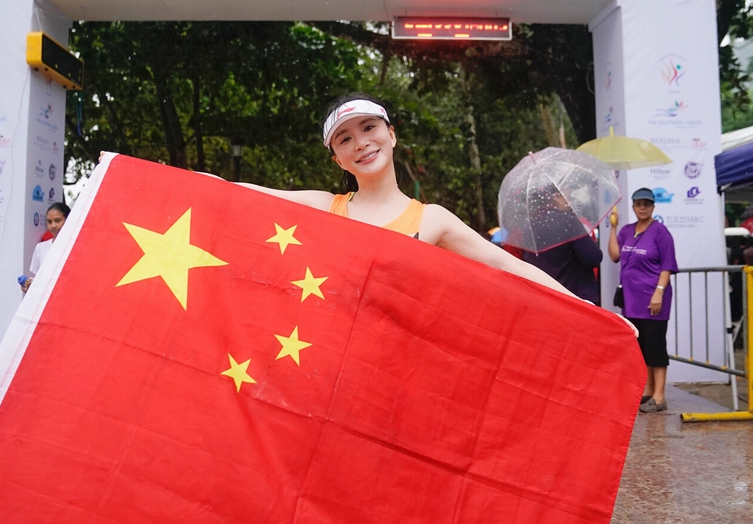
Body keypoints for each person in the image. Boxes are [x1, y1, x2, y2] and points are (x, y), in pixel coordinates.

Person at [238, 94, 583, 298]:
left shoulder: (431, 219)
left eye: (369, 128)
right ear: (337, 159)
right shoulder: (325, 207)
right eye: (344, 139)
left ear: (391, 134)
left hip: (397, 379)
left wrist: (598, 317)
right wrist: (182, 182)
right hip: (330, 372)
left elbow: (509, 266)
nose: (360, 142)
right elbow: (235, 195)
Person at [608, 188, 678, 413]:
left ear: (654, 207)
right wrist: (613, 228)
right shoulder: (627, 231)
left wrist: (659, 292)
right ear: (633, 206)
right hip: (631, 301)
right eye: (639, 203)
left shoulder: (661, 232)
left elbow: (667, 266)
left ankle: (659, 397)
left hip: (653, 301)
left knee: (656, 346)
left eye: (647, 203)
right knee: (642, 348)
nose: (643, 207)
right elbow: (614, 255)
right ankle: (648, 390)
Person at [21, 202, 70, 294]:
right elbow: (39, 278)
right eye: (49, 222)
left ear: (69, 220)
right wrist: (30, 285)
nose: (53, 226)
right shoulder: (40, 248)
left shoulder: (76, 247)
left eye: (58, 220)